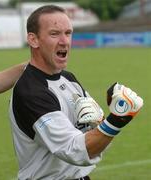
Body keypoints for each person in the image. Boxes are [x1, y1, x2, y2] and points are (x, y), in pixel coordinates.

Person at [9, 5, 143, 180]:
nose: (64, 41)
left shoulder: (68, 79)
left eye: (68, 33)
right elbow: (76, 150)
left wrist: (100, 123)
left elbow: (97, 142)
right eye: (54, 34)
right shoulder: (31, 92)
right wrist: (117, 120)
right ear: (33, 40)